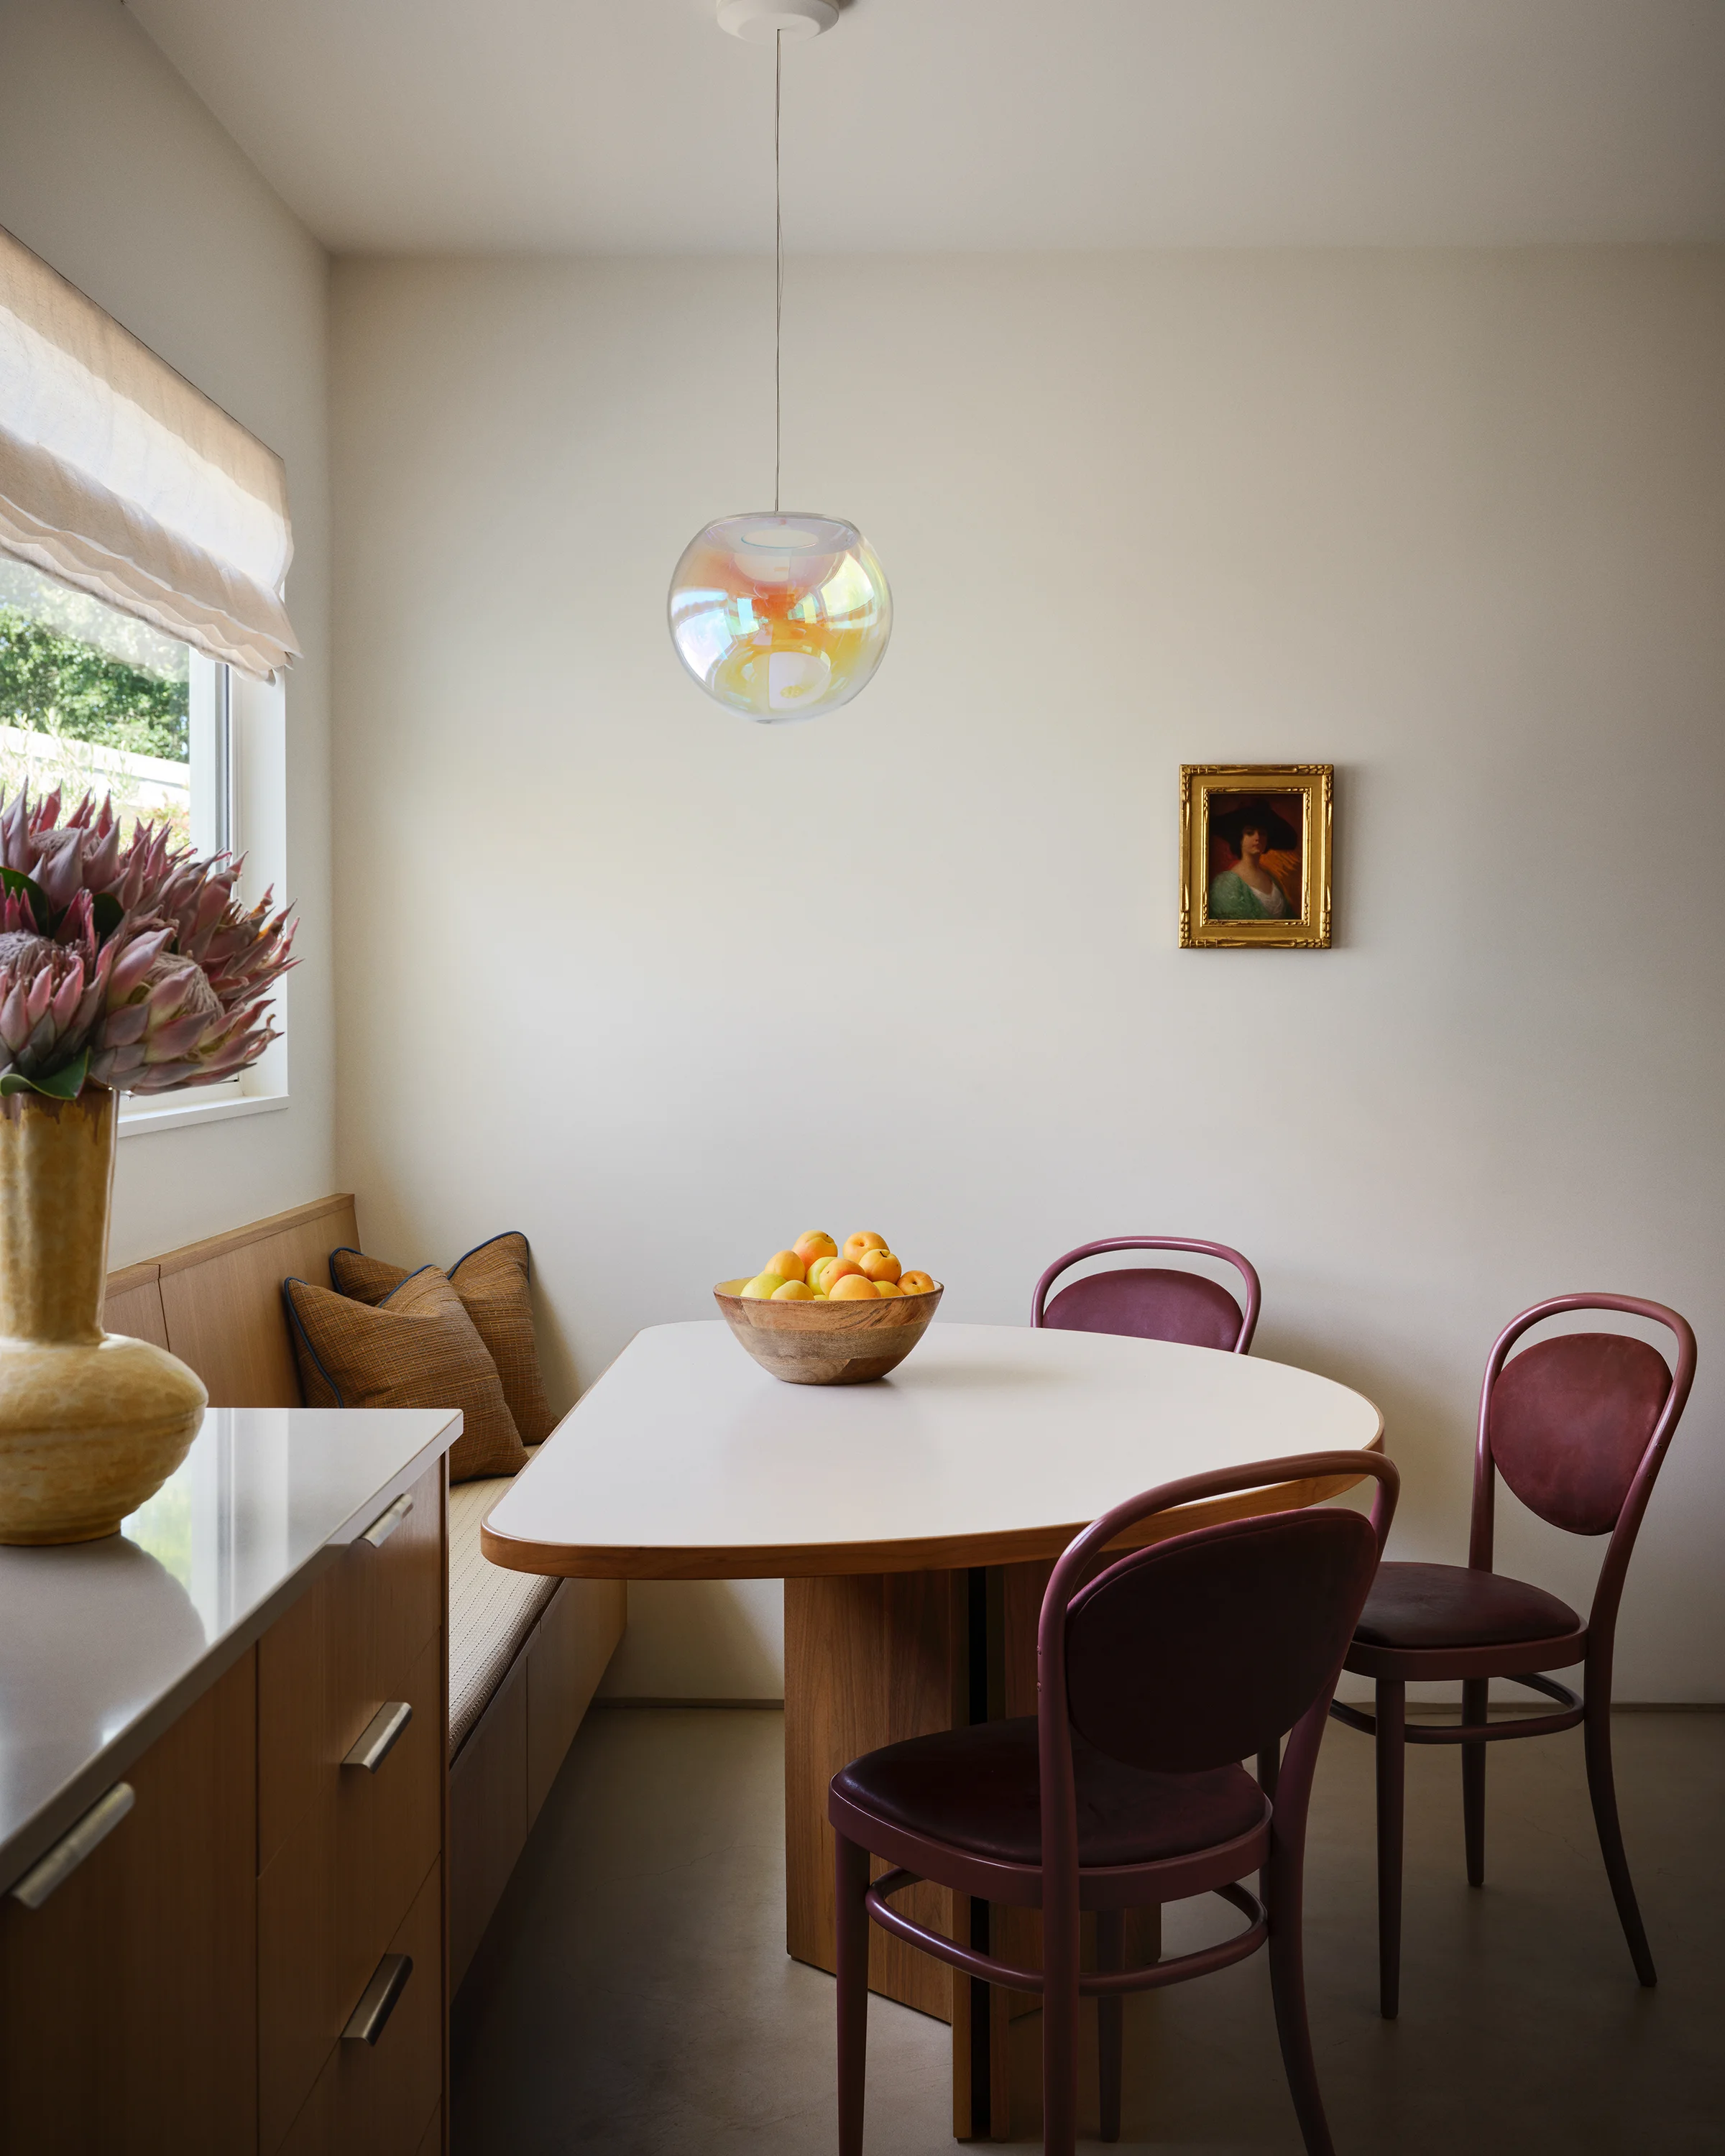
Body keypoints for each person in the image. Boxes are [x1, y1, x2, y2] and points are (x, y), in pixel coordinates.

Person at [1208, 800, 1297, 921]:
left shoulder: (1272, 878)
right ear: (1239, 839)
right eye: (1250, 833)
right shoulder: (1225, 884)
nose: (1258, 838)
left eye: (1263, 833)